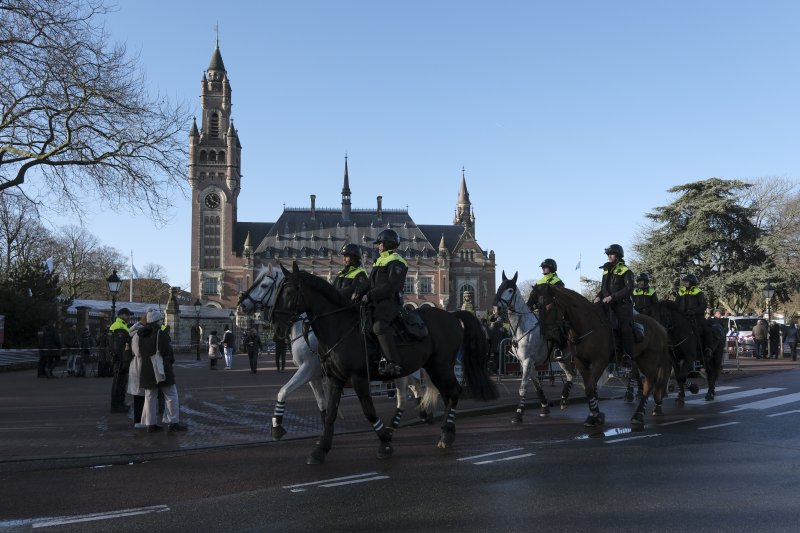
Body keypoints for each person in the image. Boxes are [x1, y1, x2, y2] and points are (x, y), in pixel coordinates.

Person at [352, 228, 408, 378]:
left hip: (390, 301)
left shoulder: (397, 261)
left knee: (379, 325)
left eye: (380, 243)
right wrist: (358, 292)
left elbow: (391, 286)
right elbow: (371, 282)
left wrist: (369, 295)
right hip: (377, 301)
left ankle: (393, 362)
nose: (378, 246)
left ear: (388, 244)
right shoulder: (380, 260)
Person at [135, 309, 187, 433]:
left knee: (150, 397)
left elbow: (139, 352)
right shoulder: (160, 333)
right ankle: (172, 422)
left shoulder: (140, 335)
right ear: (157, 321)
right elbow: (165, 351)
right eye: (160, 320)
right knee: (171, 395)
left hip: (147, 369)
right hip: (161, 368)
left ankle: (150, 424)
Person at [593, 244, 635, 366]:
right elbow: (603, 289)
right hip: (607, 305)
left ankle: (628, 354)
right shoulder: (606, 270)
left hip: (622, 306)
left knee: (624, 328)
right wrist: (597, 296)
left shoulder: (626, 271)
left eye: (611, 254)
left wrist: (612, 297)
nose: (609, 256)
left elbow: (629, 288)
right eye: (608, 255)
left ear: (618, 256)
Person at [526, 258, 568, 361]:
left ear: (552, 268)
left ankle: (559, 349)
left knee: (556, 328)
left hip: (554, 313)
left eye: (545, 267)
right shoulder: (540, 282)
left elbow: (561, 298)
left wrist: (551, 304)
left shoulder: (557, 282)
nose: (543, 269)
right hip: (541, 313)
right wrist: (529, 306)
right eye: (543, 267)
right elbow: (533, 298)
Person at [674, 273, 713, 358]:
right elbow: (676, 305)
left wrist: (693, 311)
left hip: (696, 317)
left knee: (707, 329)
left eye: (686, 282)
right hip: (683, 317)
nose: (684, 283)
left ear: (691, 282)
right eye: (684, 282)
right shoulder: (681, 292)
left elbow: (703, 305)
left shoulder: (698, 291)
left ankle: (708, 349)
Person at [109, 307, 132, 413]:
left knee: (122, 383)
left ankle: (120, 403)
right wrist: (123, 360)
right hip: (120, 360)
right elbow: (118, 347)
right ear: (122, 315)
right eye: (127, 315)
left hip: (122, 360)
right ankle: (115, 406)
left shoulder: (123, 326)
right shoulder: (118, 326)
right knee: (118, 383)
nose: (129, 317)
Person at [127, 315, 148, 429]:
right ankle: (139, 420)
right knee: (140, 396)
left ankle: (140, 419)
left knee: (139, 395)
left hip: (137, 365)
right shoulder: (138, 335)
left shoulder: (134, 333)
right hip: (139, 365)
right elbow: (138, 351)